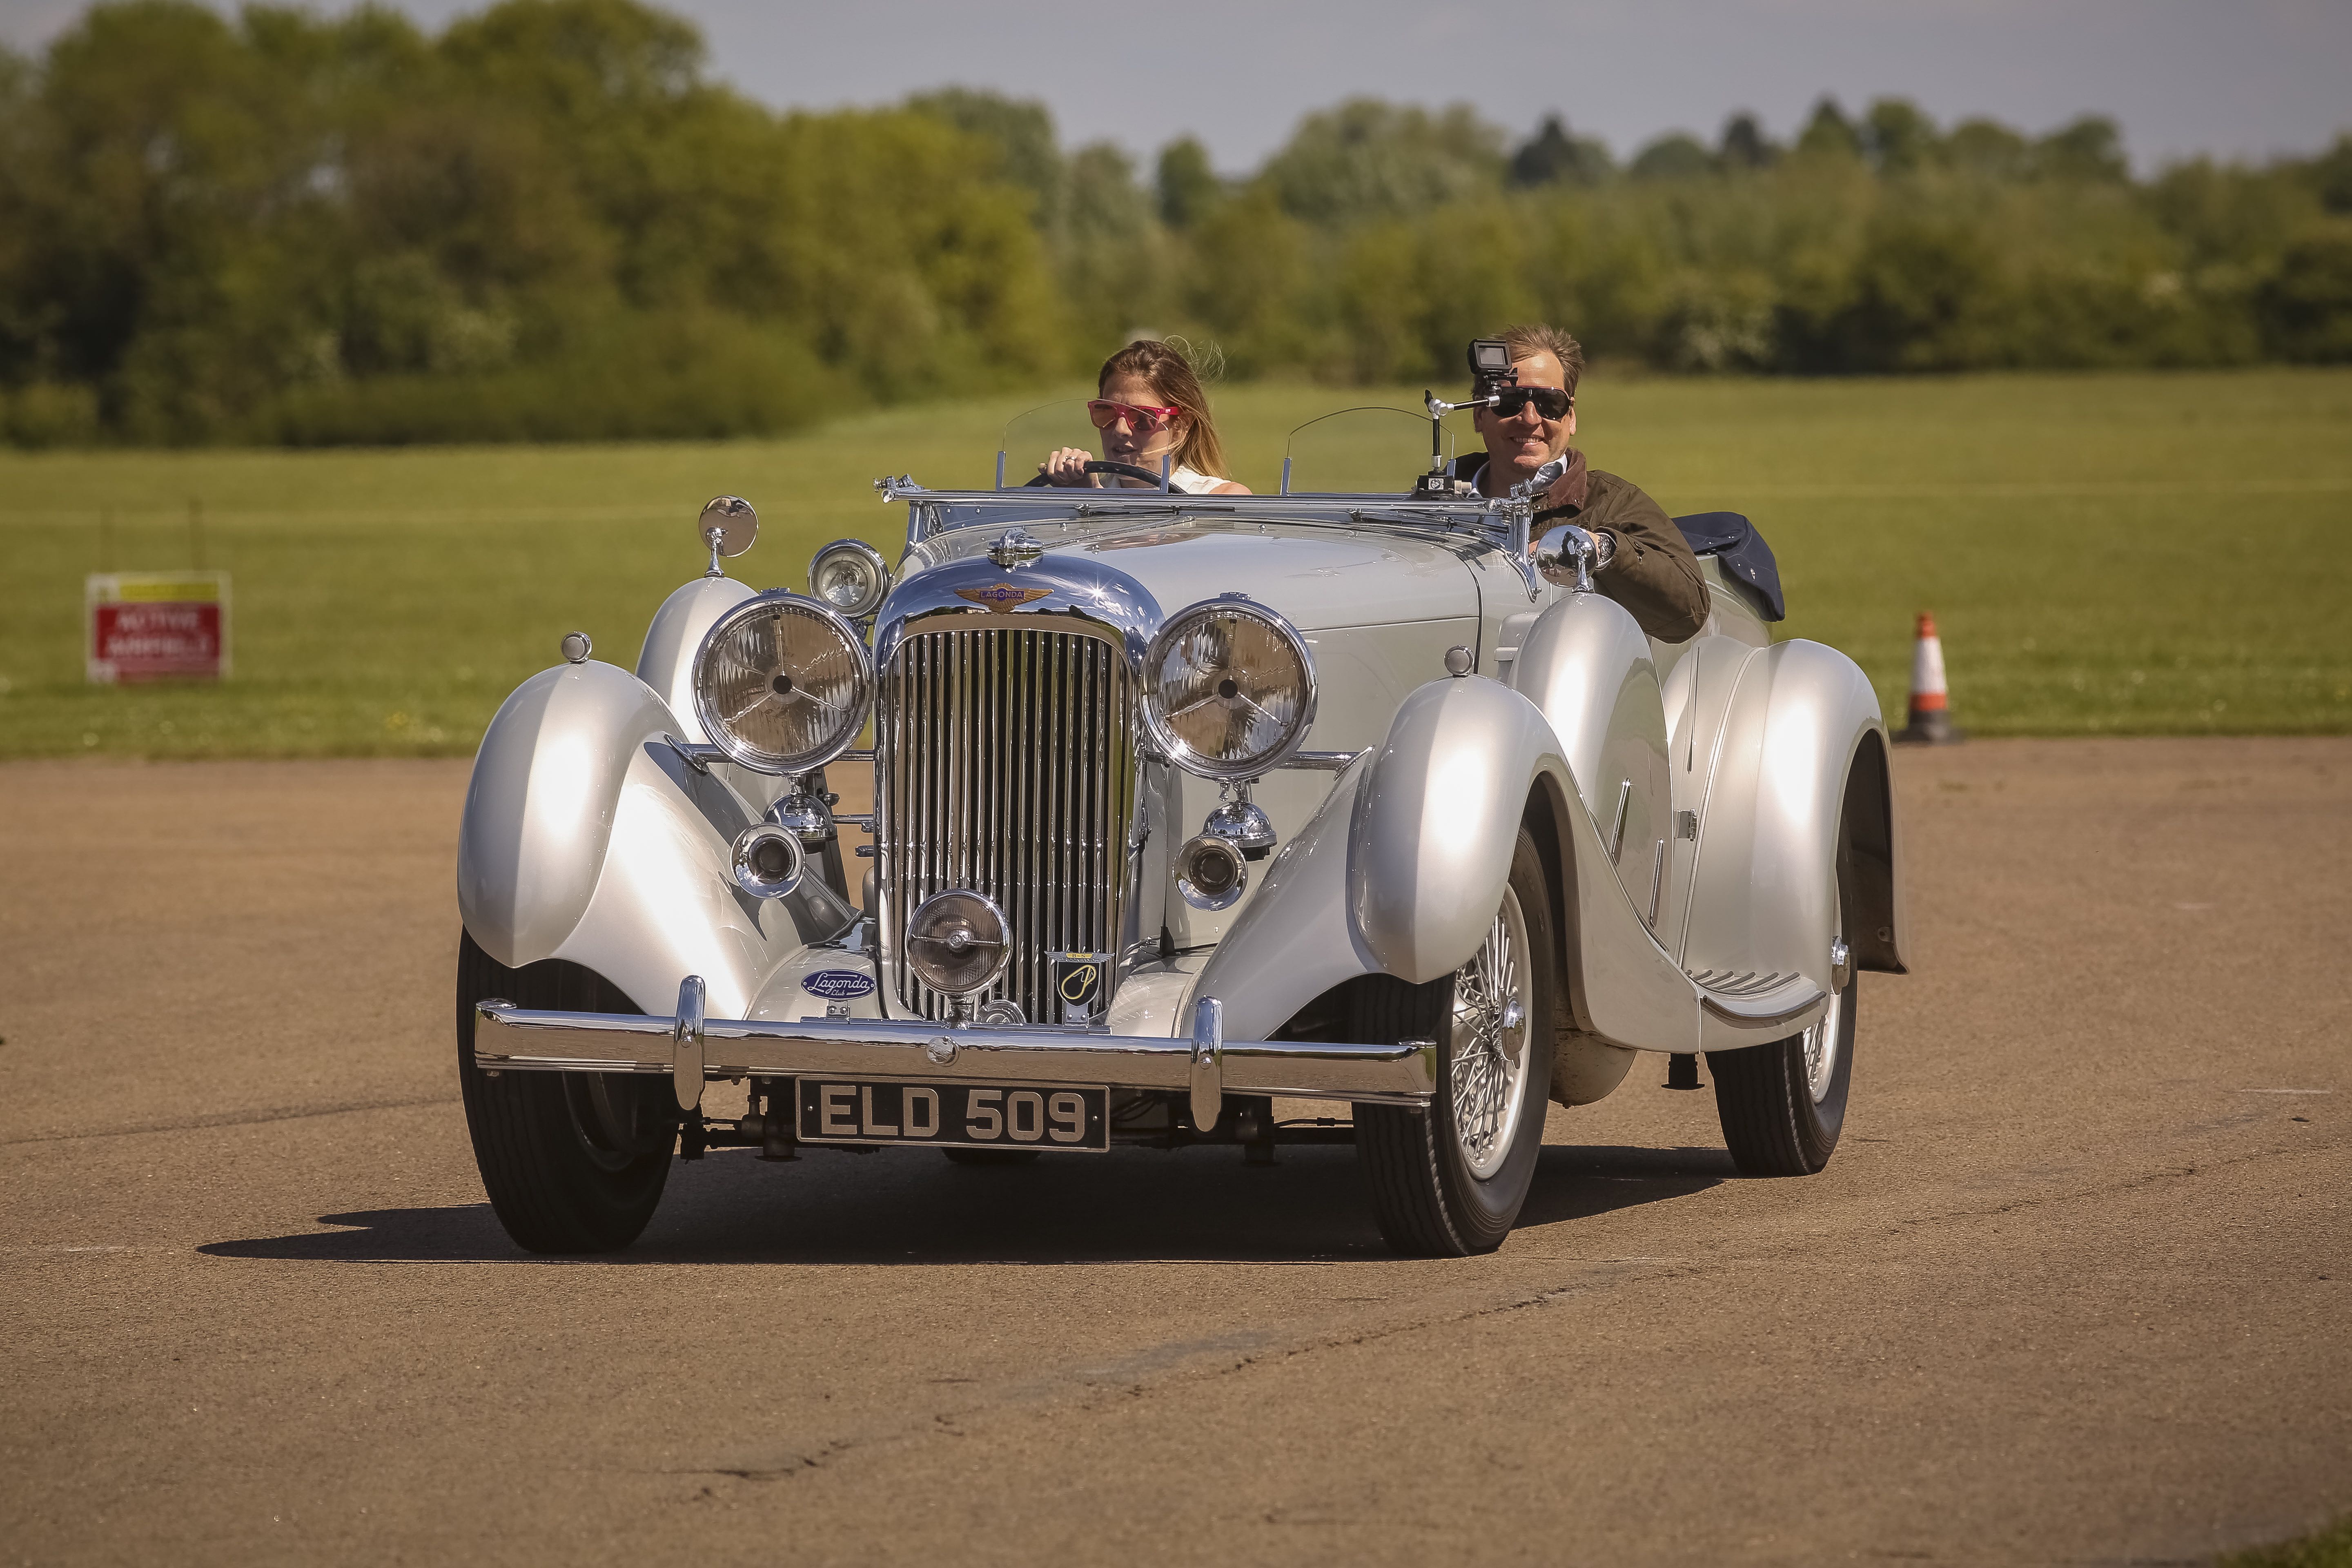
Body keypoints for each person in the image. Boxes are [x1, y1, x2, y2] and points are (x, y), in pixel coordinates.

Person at [1450, 325, 1708, 643]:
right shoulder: (1430, 504)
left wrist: (1599, 548)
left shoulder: (1612, 502)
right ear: (1479, 414)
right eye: (1510, 401)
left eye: (1550, 404)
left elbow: (1690, 611)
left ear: (1570, 417)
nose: (1530, 418)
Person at [1041, 339, 1251, 495]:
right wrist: (1083, 497)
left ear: (1181, 428)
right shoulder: (1094, 490)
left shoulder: (1220, 499)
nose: (1120, 429)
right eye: (1106, 412)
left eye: (1142, 418)